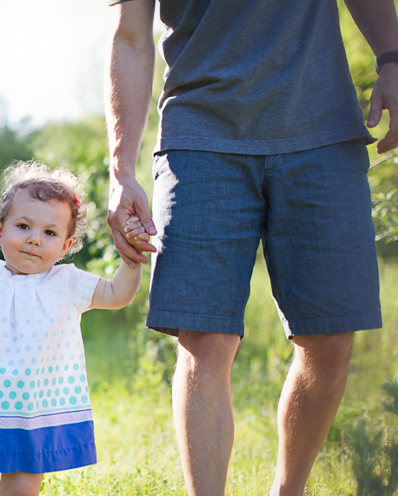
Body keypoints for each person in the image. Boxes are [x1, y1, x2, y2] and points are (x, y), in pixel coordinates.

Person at [105, 1, 394, 494]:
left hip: (322, 129)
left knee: (330, 337)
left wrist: (392, 58)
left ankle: (288, 490)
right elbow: (130, 37)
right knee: (204, 338)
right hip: (200, 136)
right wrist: (121, 168)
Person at [0, 162, 143, 496]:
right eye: (23, 226)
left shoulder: (68, 283)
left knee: (21, 490)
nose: (35, 239)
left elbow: (117, 294)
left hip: (34, 417)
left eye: (50, 233)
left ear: (66, 246)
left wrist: (130, 259)